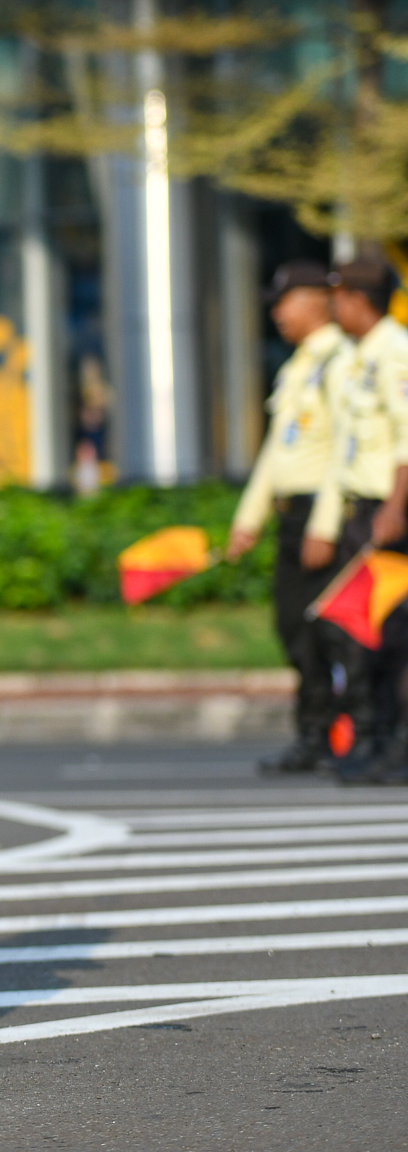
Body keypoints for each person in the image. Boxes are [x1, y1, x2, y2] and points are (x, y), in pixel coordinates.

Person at [226, 261, 342, 773]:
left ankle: (342, 732)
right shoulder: (297, 367)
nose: (277, 313)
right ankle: (315, 734)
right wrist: (248, 518)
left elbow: (344, 450)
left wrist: (325, 525)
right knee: (293, 626)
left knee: (331, 633)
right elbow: (277, 450)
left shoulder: (340, 361)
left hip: (325, 516)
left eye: (285, 301)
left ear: (318, 300)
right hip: (293, 516)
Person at [303, 257, 408, 784]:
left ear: (360, 300)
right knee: (366, 637)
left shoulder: (396, 353)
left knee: (396, 636)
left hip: (392, 515)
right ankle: (378, 739)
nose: (332, 307)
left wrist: (395, 507)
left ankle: (398, 746)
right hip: (361, 513)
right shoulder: (359, 357)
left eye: (338, 298)